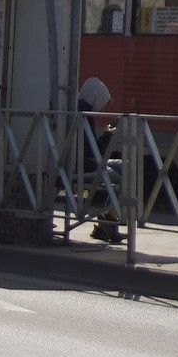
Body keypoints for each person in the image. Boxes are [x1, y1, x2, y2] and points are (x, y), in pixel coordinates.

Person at [75, 76, 123, 243]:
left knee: (124, 167)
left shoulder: (79, 108)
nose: (102, 107)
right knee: (122, 177)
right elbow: (93, 152)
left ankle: (107, 221)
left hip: (83, 161)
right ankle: (107, 222)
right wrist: (108, 136)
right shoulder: (85, 114)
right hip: (84, 165)